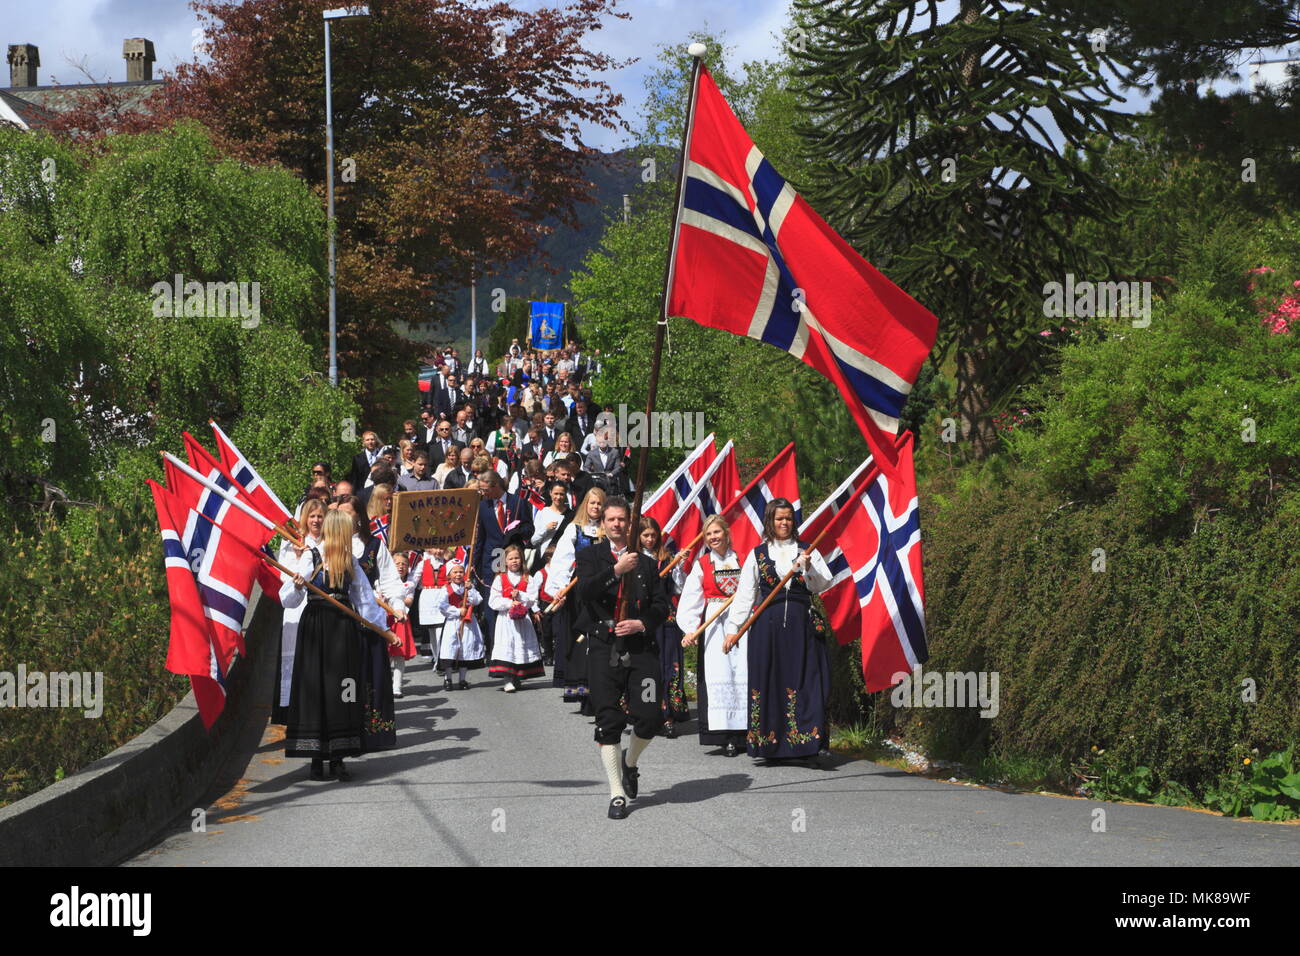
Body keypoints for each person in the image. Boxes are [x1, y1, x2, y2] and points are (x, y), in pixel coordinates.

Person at [281, 510, 401, 780]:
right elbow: (286, 599)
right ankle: (315, 757)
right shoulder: (310, 557)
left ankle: (338, 757)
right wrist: (299, 586)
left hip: (343, 631)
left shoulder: (350, 561)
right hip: (316, 628)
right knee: (316, 689)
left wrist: (384, 632)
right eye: (347, 531)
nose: (351, 535)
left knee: (344, 690)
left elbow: (365, 601)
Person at [575, 497, 670, 820]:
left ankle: (629, 764)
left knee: (650, 716)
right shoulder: (590, 556)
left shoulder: (646, 564)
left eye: (622, 520)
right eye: (611, 519)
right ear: (603, 524)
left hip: (640, 648)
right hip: (604, 648)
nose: (616, 524)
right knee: (608, 720)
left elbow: (661, 606)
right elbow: (584, 592)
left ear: (630, 524)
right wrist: (616, 571)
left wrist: (643, 623)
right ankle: (616, 793)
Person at [723, 498, 834, 761]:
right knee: (769, 679)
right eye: (778, 518)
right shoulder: (758, 554)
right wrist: (732, 629)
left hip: (801, 625)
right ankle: (769, 745)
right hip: (767, 625)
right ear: (770, 521)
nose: (784, 523)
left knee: (804, 680)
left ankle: (806, 744)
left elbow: (823, 584)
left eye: (788, 518)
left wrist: (808, 569)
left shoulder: (807, 550)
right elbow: (745, 595)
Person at [677, 514, 746, 756]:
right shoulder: (703, 564)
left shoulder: (743, 559)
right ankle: (723, 735)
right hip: (714, 625)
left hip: (742, 624)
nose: (713, 537)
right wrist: (689, 627)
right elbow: (691, 598)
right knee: (720, 675)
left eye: (717, 532)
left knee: (742, 675)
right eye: (708, 534)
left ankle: (745, 734)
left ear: (727, 533)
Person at [545, 486, 605, 711]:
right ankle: (582, 691)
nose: (596, 507)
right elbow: (561, 561)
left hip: (602, 593)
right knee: (580, 641)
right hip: (579, 594)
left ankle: (599, 691)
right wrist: (559, 589)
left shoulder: (607, 530)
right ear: (585, 506)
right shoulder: (574, 529)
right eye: (592, 503)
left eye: (599, 503)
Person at [273, 497, 325, 724]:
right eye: (312, 516)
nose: (316, 520)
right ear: (305, 519)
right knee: (296, 661)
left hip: (322, 608)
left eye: (320, 516)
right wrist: (296, 556)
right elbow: (284, 579)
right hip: (297, 607)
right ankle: (295, 712)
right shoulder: (292, 542)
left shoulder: (329, 541)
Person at [639, 516, 688, 737]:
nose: (650, 539)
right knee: (649, 667)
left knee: (670, 664)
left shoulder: (666, 558)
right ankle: (648, 712)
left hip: (666, 617)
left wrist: (677, 566)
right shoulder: (635, 559)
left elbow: (680, 587)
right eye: (645, 535)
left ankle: (668, 713)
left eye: (653, 535)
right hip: (644, 618)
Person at [487, 544, 545, 691]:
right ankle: (507, 680)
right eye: (511, 558)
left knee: (520, 646)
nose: (514, 561)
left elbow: (532, 599)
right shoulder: (500, 578)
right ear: (505, 561)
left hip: (523, 620)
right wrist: (509, 602)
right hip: (506, 620)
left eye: (517, 558)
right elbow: (493, 601)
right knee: (508, 646)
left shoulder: (528, 578)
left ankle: (518, 675)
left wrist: (520, 595)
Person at [434, 561, 485, 690]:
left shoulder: (469, 587)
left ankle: (462, 679)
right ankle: (448, 679)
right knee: (450, 649)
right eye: (455, 572)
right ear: (449, 575)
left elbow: (478, 600)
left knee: (464, 649)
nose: (458, 574)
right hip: (453, 623)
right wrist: (457, 611)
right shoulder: (446, 589)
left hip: (467, 623)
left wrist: (470, 590)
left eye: (461, 572)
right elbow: (441, 605)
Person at [387, 552, 418, 696]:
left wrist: (393, 597)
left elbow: (409, 601)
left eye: (404, 564)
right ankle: (385, 683)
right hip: (385, 620)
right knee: (385, 654)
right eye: (397, 563)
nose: (400, 566)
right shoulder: (382, 581)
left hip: (401, 621)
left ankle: (396, 686)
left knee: (399, 655)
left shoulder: (408, 584)